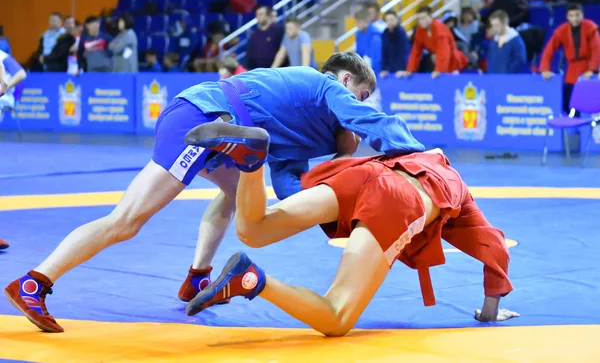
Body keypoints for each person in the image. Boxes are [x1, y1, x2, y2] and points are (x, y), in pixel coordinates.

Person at [4, 52, 425, 333]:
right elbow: (367, 120)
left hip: (226, 131)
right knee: (126, 221)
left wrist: (336, 220)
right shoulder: (325, 85)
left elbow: (290, 187)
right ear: (346, 79)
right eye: (362, 94)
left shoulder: (306, 134)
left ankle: (196, 277)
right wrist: (418, 157)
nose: (359, 109)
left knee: (236, 195)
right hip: (203, 117)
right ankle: (35, 282)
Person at [184, 123, 519, 336]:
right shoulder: (457, 186)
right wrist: (489, 313)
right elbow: (494, 245)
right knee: (336, 318)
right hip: (398, 199)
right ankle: (253, 280)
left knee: (255, 229)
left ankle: (251, 162)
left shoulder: (418, 156)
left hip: (363, 171)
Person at [539, 2, 600, 115]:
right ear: (567, 17)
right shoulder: (562, 30)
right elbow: (549, 50)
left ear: (582, 15)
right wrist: (544, 69)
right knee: (567, 103)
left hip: (589, 71)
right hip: (571, 72)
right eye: (571, 16)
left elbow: (597, 50)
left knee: (589, 105)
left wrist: (592, 70)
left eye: (577, 15)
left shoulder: (590, 28)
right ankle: (574, 128)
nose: (575, 18)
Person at [400, 6, 469, 79]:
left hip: (452, 62)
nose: (421, 21)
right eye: (419, 19)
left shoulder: (439, 29)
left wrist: (439, 70)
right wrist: (410, 69)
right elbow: (415, 51)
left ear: (430, 17)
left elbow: (444, 51)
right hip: (437, 60)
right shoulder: (420, 30)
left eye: (423, 18)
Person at [380, 10, 409, 79]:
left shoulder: (401, 32)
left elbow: (403, 52)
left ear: (397, 20)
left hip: (401, 69)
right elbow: (384, 52)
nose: (390, 22)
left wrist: (401, 69)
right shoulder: (385, 33)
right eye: (387, 20)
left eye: (392, 19)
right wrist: (384, 69)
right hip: (390, 69)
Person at [355, 10, 383, 75]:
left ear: (366, 21)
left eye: (359, 22)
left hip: (374, 73)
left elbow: (377, 59)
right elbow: (358, 54)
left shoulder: (375, 35)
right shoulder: (359, 34)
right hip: (364, 71)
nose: (356, 25)